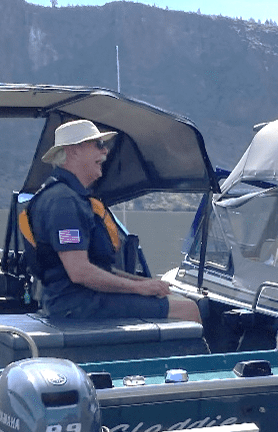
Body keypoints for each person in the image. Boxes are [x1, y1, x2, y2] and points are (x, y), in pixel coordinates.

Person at [21, 119, 201, 323]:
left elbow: (98, 268)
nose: (105, 152)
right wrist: (139, 288)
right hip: (76, 305)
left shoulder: (71, 197)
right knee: (187, 310)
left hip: (81, 300)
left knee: (175, 298)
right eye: (98, 145)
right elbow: (80, 272)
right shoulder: (64, 202)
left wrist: (147, 283)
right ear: (74, 151)